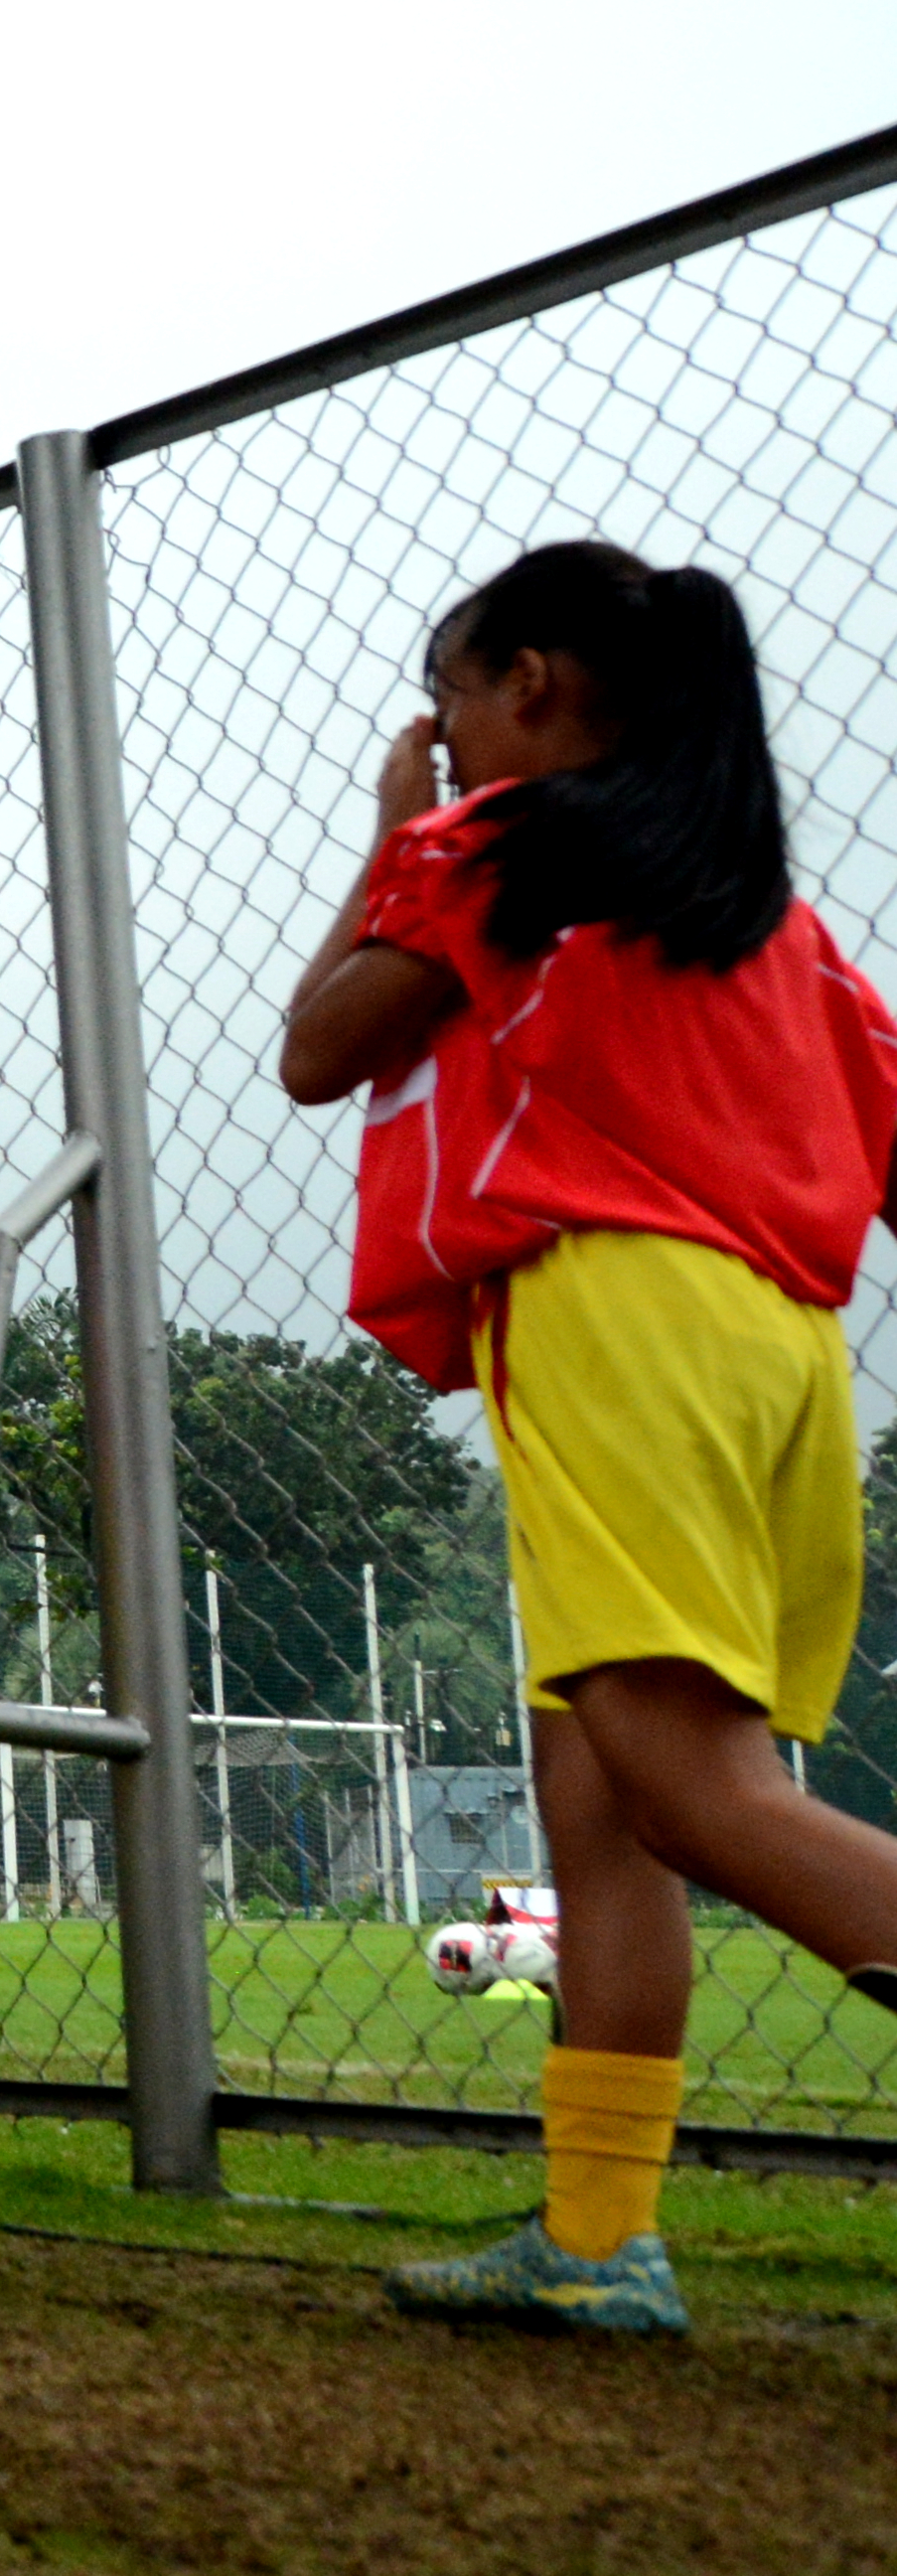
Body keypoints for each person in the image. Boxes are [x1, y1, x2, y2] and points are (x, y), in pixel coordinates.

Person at [281, 541, 897, 2339]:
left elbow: (318, 1049)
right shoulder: (770, 923)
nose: (443, 734)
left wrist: (397, 834)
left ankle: (601, 2235)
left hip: (619, 1322)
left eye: (456, 694)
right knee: (602, 1806)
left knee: (701, 1797)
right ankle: (597, 2234)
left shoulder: (497, 852)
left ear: (536, 685)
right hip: (782, 1351)